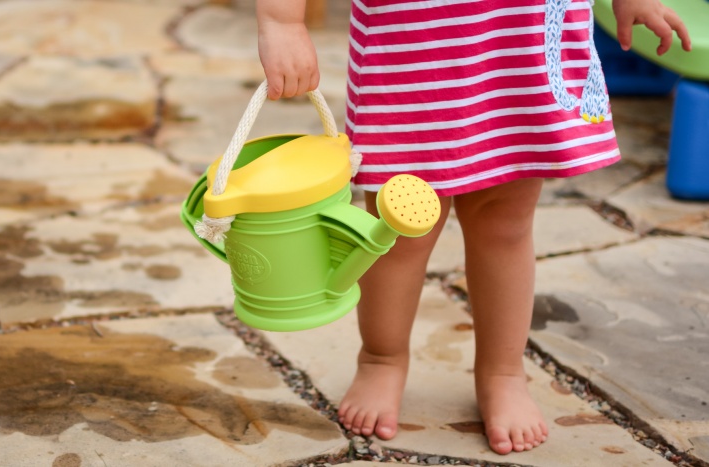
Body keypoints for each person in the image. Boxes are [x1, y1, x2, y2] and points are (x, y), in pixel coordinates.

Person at [256, 0, 690, 455]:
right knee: (398, 229)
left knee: (506, 225)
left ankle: (503, 371)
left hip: (519, 42)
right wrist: (281, 20)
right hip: (415, 48)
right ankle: (381, 358)